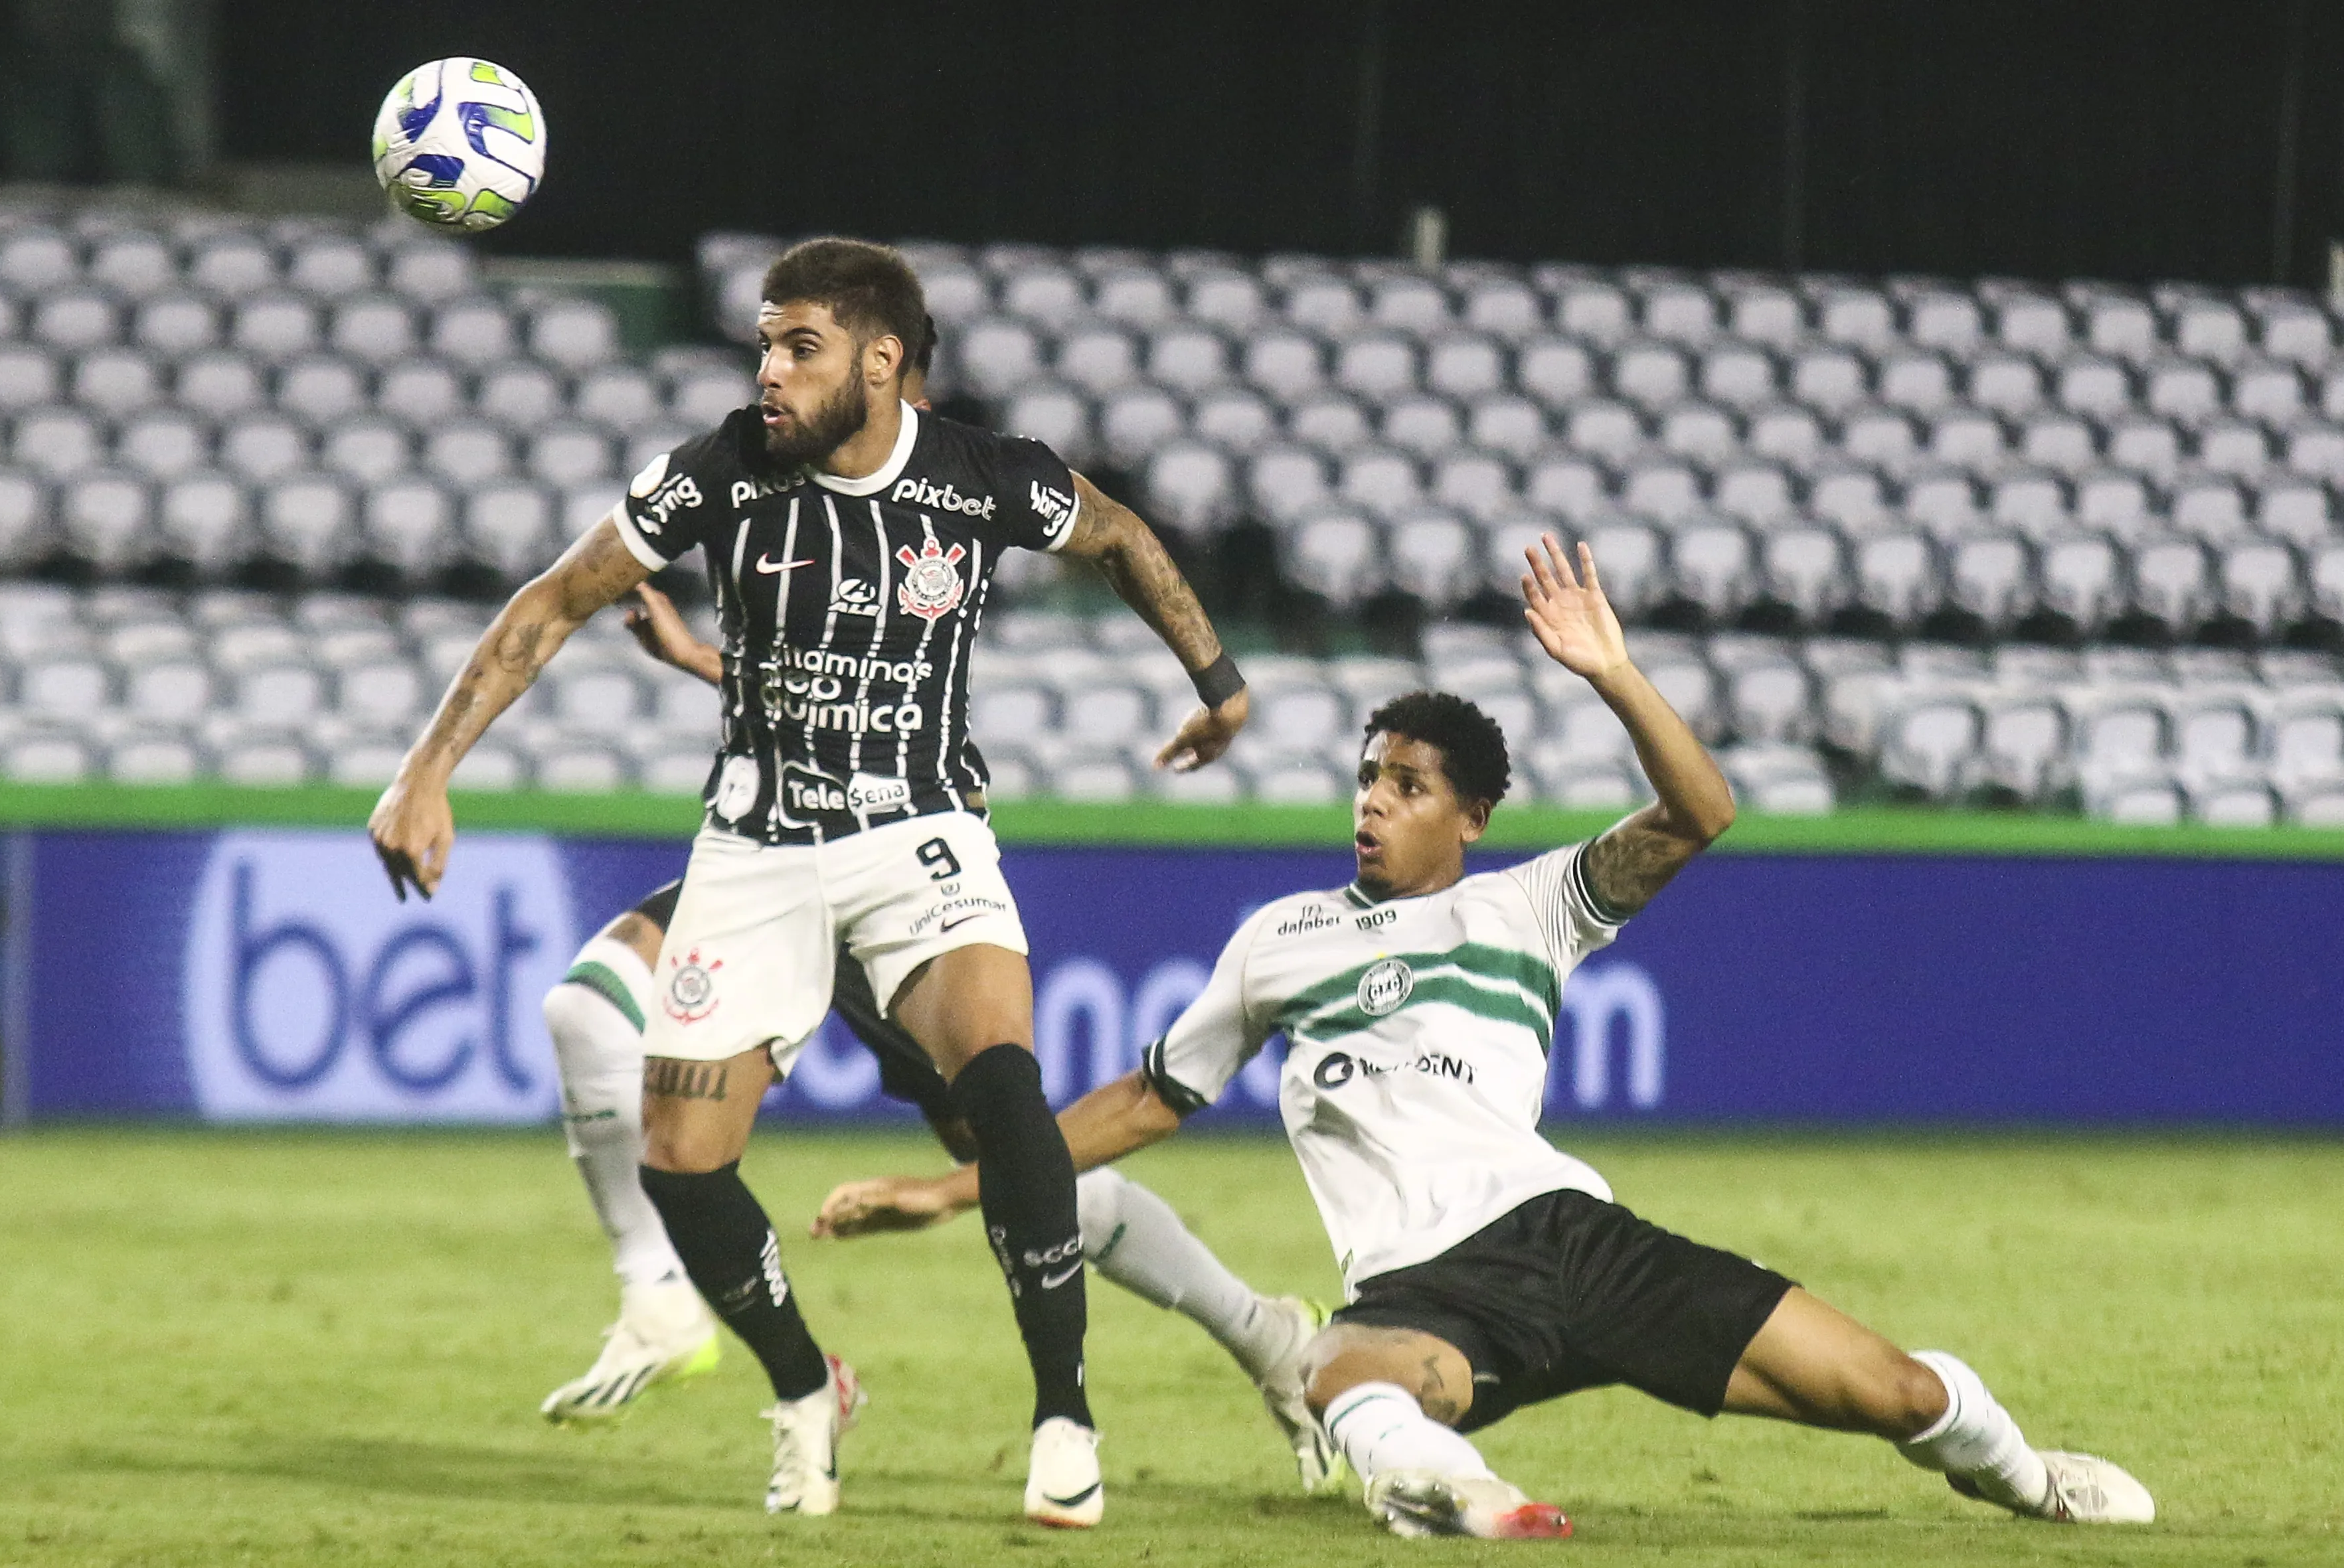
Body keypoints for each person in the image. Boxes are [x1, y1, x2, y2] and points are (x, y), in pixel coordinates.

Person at [813, 536, 2158, 1539]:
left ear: (1469, 817)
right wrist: (952, 1187)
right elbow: (1146, 1100)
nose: (1371, 803)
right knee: (1338, 1367)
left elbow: (1702, 812)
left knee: (1896, 1392)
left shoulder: (1534, 905)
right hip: (1429, 1290)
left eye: (1405, 786)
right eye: (1366, 778)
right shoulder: (1280, 939)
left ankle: (2023, 1475)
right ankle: (1461, 1494)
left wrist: (1612, 671)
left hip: (1575, 1240)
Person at [369, 238, 1250, 1527]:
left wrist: (1217, 685)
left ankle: (1064, 1415)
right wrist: (425, 769)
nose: (769, 374)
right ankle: (803, 1388)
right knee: (682, 1161)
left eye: (800, 348)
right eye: (763, 348)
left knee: (1000, 1083)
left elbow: (1118, 536)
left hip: (919, 833)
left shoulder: (982, 477)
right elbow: (555, 600)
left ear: (880, 362)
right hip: (758, 848)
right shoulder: (721, 470)